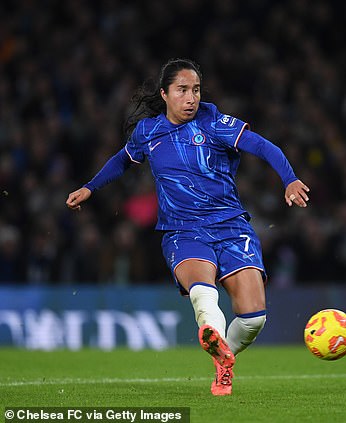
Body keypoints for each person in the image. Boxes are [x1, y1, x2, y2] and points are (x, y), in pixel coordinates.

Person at [66, 58, 310, 394]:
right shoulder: (148, 132)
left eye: (195, 90)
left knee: (254, 319)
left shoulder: (214, 122)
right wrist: (90, 187)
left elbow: (263, 146)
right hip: (183, 231)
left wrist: (290, 179)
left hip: (231, 226)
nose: (191, 97)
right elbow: (123, 158)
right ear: (165, 94)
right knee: (203, 293)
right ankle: (214, 340)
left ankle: (223, 356)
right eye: (182, 90)